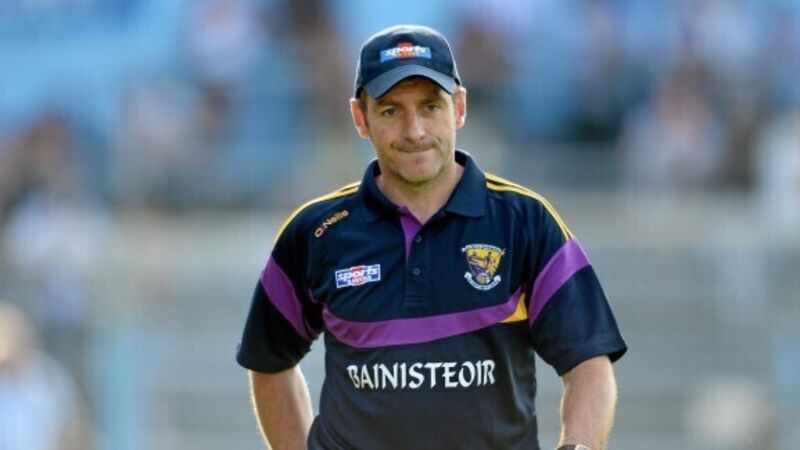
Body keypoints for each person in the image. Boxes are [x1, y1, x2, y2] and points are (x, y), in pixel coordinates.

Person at [237, 24, 627, 450]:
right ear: (360, 117)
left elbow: (588, 361)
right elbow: (269, 359)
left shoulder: (526, 221)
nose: (415, 131)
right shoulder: (315, 232)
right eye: (391, 111)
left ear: (459, 107)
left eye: (430, 106)